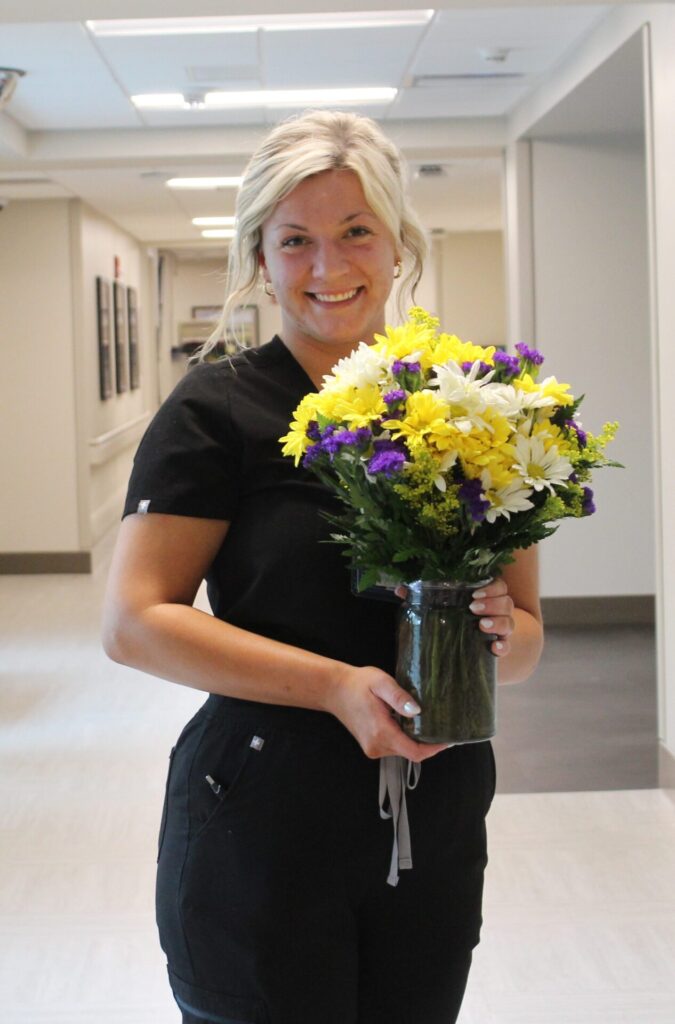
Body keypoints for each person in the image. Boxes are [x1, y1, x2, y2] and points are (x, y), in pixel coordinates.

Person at [102, 109, 543, 1024]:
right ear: (260, 258)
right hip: (263, 814)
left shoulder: (470, 407)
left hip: (436, 812)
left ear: (397, 245)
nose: (327, 267)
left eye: (355, 233)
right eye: (295, 240)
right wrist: (338, 687)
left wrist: (504, 634)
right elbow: (135, 623)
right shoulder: (216, 411)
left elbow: (529, 636)